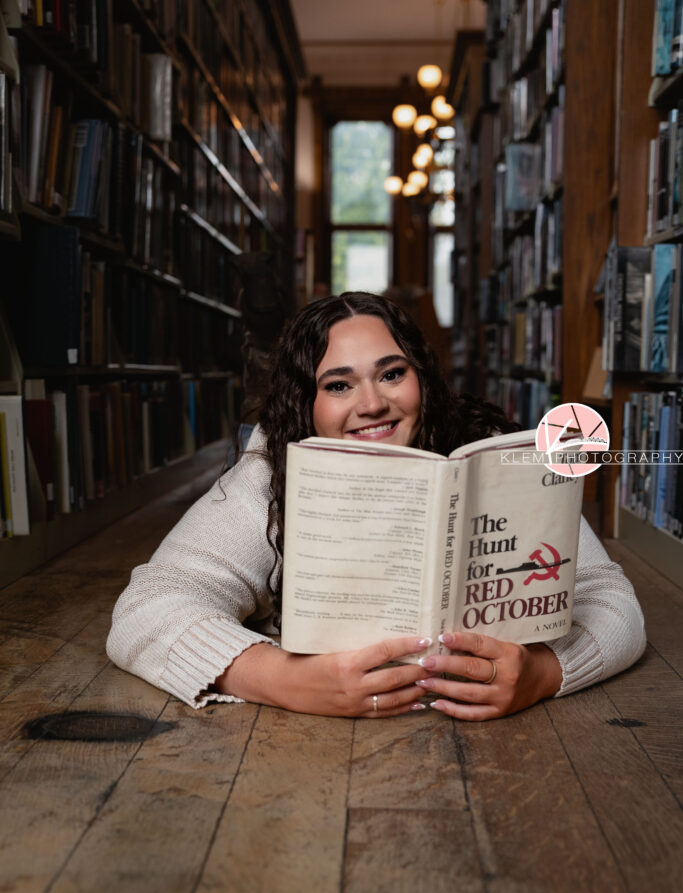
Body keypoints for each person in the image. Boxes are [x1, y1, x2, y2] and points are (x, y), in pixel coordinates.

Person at [107, 292, 646, 719]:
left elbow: (610, 599)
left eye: (392, 374)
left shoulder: (494, 456)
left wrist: (545, 674)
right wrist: (284, 680)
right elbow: (147, 606)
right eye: (338, 385)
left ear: (421, 378)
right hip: (307, 755)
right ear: (305, 401)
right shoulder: (269, 476)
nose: (372, 405)